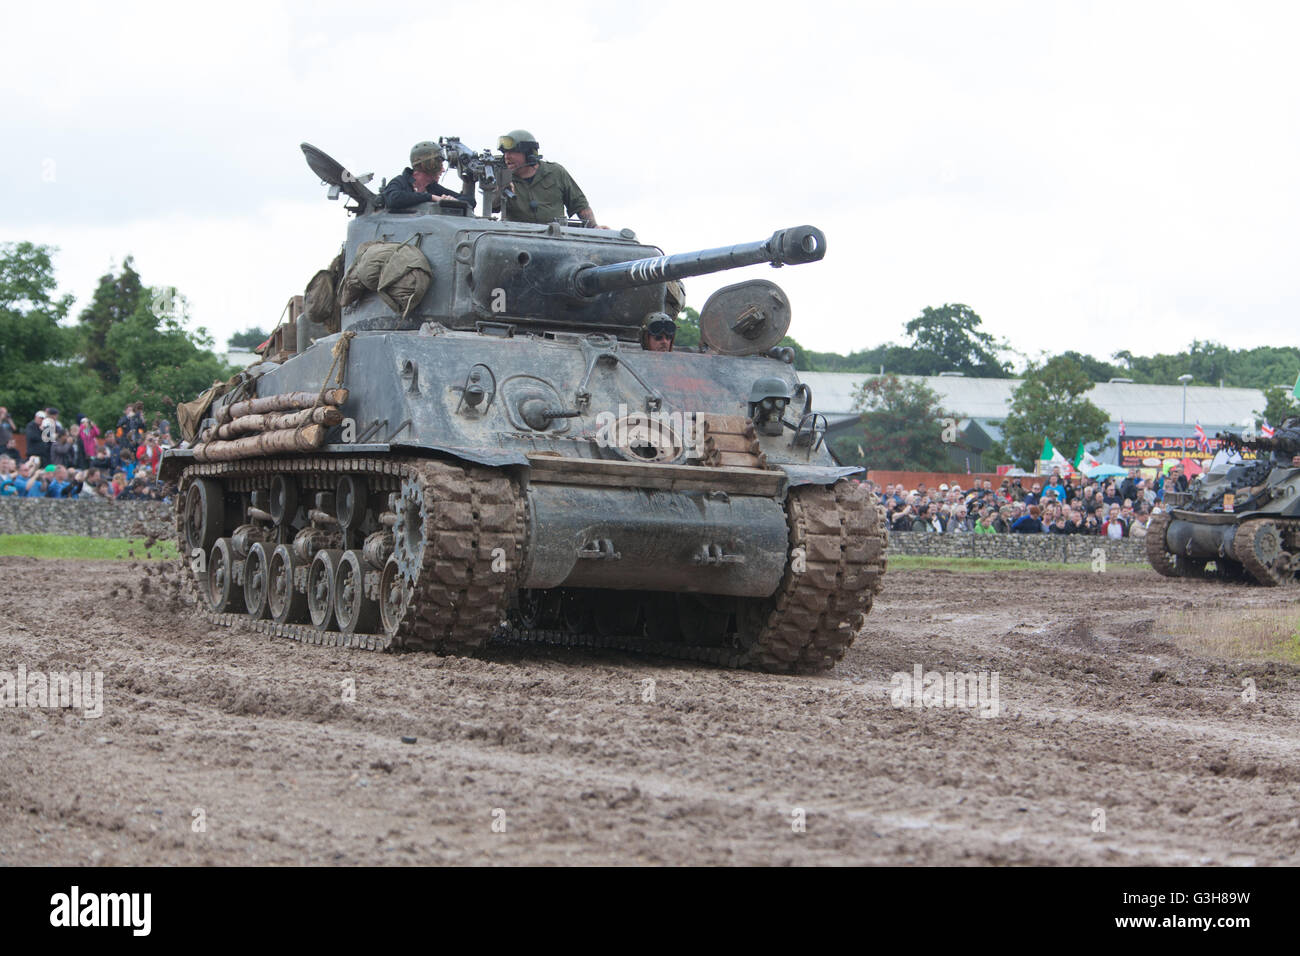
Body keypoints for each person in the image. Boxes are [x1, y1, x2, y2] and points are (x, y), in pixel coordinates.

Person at [497, 129, 599, 227]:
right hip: (516, 241)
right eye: (505, 152)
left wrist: (594, 227)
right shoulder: (503, 177)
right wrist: (499, 189)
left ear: (528, 154)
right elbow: (493, 206)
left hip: (555, 238)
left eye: (513, 152)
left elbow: (580, 205)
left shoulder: (555, 173)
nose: (507, 157)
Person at [382, 141, 465, 212]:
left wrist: (454, 202)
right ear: (429, 165)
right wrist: (430, 197)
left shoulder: (432, 187)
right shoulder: (400, 182)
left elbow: (469, 200)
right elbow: (394, 199)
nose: (443, 170)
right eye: (439, 164)